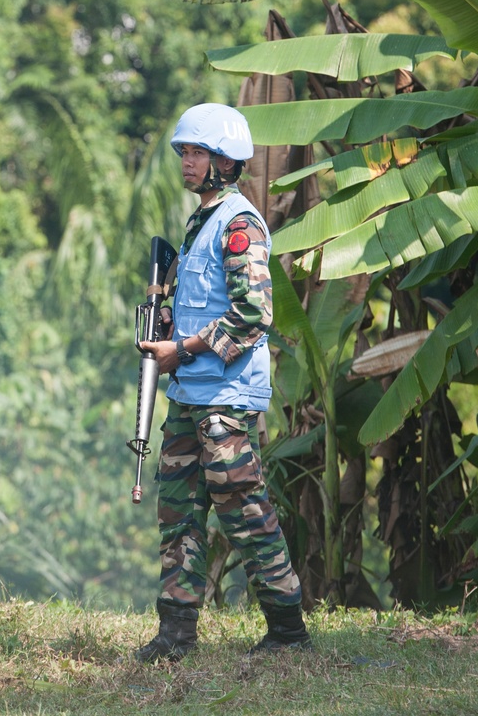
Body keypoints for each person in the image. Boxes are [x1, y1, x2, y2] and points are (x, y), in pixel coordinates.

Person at [134, 102, 310, 662]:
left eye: (196, 152)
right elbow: (206, 305)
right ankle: (175, 635)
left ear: (225, 162)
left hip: (224, 400)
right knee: (178, 512)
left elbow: (253, 315)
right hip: (188, 392)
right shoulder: (201, 222)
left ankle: (287, 630)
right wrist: (168, 326)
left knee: (242, 509)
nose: (186, 162)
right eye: (184, 151)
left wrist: (180, 347)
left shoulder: (239, 224)